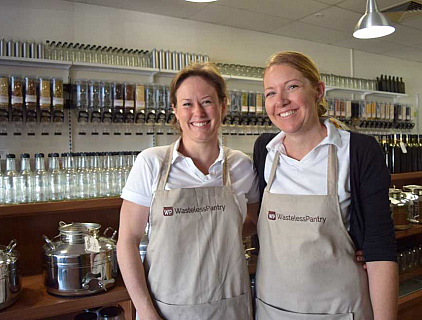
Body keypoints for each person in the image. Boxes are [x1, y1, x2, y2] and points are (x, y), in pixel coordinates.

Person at [253, 51, 398, 320]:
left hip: (341, 311)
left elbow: (380, 249)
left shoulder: (358, 151)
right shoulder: (265, 150)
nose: (281, 101)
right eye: (270, 93)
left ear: (318, 91)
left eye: (292, 87)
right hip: (272, 310)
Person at [117, 63, 260, 320]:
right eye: (187, 104)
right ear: (174, 110)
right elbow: (127, 241)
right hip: (166, 309)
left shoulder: (242, 165)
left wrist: (215, 235)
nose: (198, 112)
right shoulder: (151, 163)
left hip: (229, 307)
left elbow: (256, 221)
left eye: (207, 101)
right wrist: (146, 312)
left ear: (223, 105)